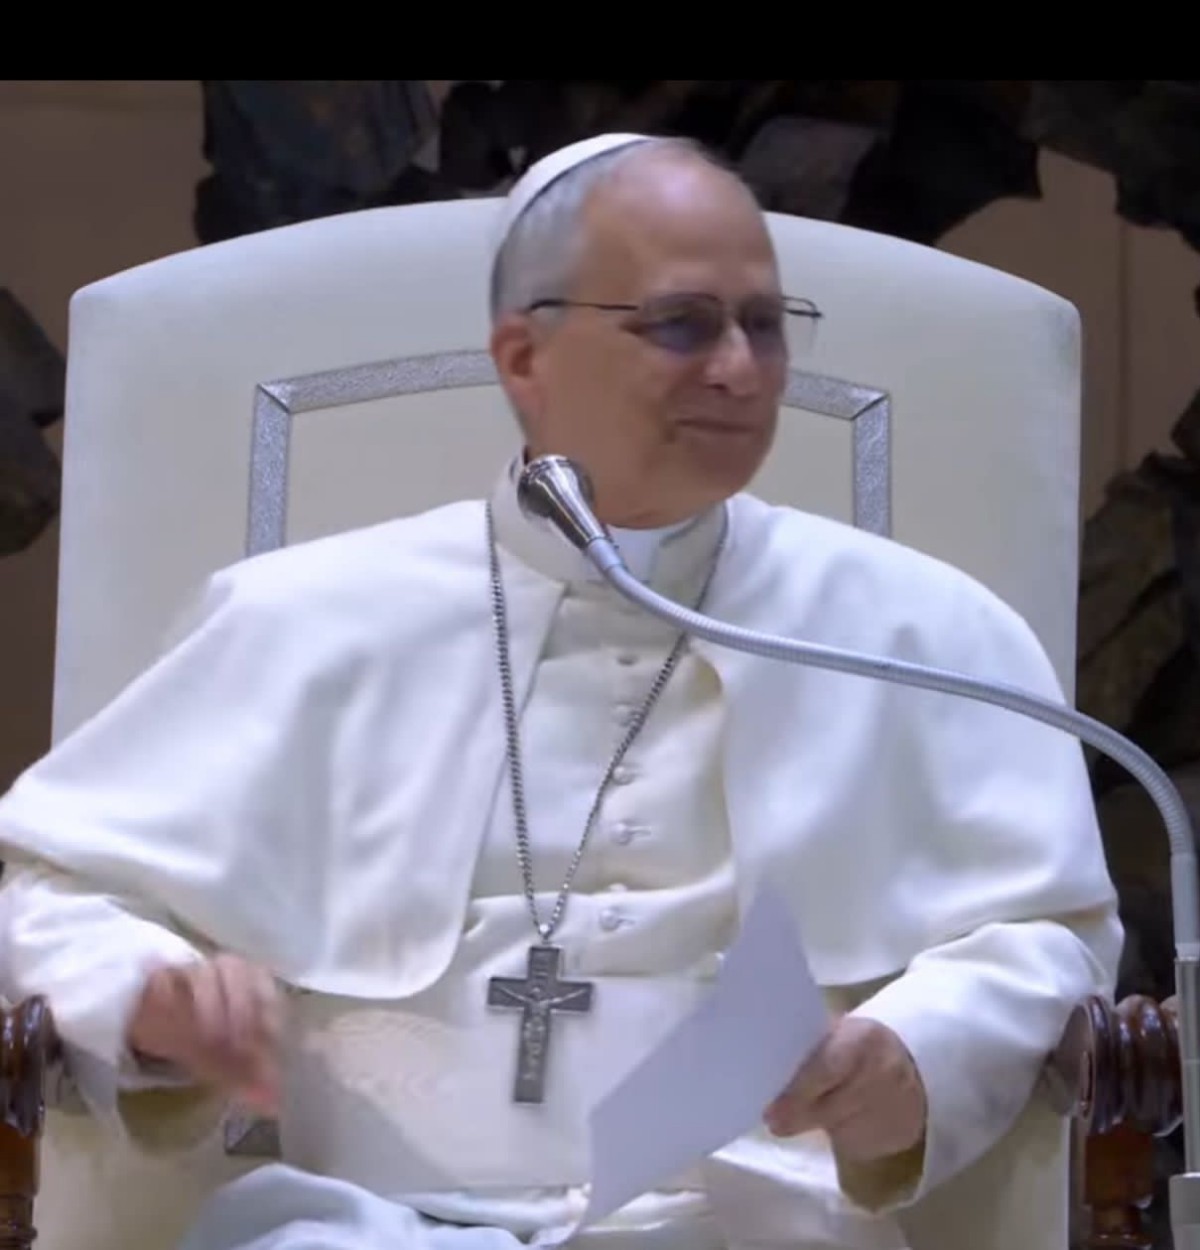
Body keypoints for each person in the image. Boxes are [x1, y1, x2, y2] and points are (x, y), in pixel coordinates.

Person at [0, 133, 1120, 1250]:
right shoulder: (303, 618)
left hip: (753, 1229)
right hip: (374, 1229)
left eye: (765, 325)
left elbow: (1045, 929)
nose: (741, 370)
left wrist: (919, 1050)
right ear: (525, 357)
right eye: (683, 324)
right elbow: (50, 881)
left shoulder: (918, 630)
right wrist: (146, 993)